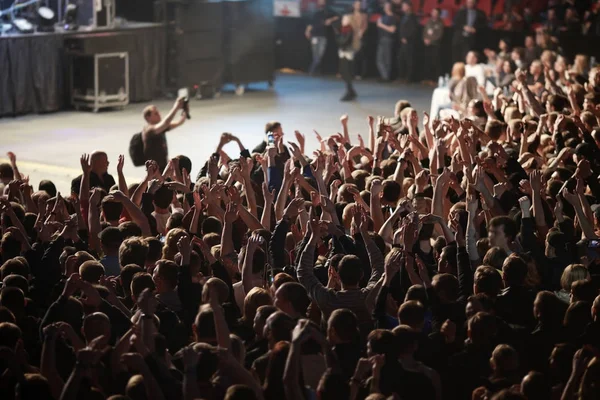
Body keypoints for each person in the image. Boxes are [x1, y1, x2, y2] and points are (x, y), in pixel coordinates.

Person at [142, 97, 188, 172]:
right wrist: (176, 107)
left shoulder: (161, 128)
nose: (159, 114)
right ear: (148, 117)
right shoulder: (149, 130)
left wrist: (185, 110)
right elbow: (166, 123)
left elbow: (180, 122)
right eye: (156, 113)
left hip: (163, 167)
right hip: (154, 171)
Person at [305, 0, 339, 75]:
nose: (321, 2)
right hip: (314, 35)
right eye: (320, 1)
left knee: (319, 55)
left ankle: (311, 70)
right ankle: (315, 71)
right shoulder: (314, 12)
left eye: (322, 1)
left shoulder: (327, 11)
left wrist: (330, 20)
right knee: (315, 55)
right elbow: (311, 23)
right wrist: (307, 31)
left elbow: (338, 16)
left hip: (323, 36)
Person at [335, 14, 358, 101]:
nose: (343, 20)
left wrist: (337, 36)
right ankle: (351, 91)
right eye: (343, 18)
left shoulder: (349, 29)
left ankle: (350, 92)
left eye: (345, 19)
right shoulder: (344, 29)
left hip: (347, 53)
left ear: (349, 21)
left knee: (346, 73)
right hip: (344, 52)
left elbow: (343, 42)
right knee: (343, 72)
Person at [397, 1, 419, 83]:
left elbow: (413, 29)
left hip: (409, 42)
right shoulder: (403, 16)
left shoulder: (412, 17)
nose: (402, 8)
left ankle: (409, 78)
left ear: (409, 7)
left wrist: (407, 38)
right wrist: (401, 37)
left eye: (404, 6)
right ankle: (401, 76)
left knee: (409, 60)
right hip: (402, 41)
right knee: (400, 59)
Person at [422, 8, 444, 85]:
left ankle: (435, 79)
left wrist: (431, 41)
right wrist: (425, 39)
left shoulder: (440, 23)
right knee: (427, 62)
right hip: (427, 45)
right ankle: (427, 79)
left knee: (435, 62)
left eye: (435, 13)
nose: (434, 14)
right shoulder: (429, 21)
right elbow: (425, 31)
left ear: (438, 14)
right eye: (433, 12)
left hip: (435, 45)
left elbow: (439, 35)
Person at [376, 2, 397, 81]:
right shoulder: (383, 16)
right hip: (381, 39)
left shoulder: (392, 17)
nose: (385, 8)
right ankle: (384, 76)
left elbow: (392, 30)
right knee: (379, 59)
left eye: (386, 6)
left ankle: (387, 77)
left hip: (388, 39)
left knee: (387, 59)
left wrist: (381, 25)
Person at [349, 0, 368, 79]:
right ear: (354, 5)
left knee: (360, 56)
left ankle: (360, 74)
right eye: (356, 4)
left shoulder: (364, 15)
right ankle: (352, 73)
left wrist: (361, 32)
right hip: (352, 37)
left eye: (359, 4)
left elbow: (365, 25)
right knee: (351, 56)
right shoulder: (350, 15)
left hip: (360, 37)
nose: (358, 6)